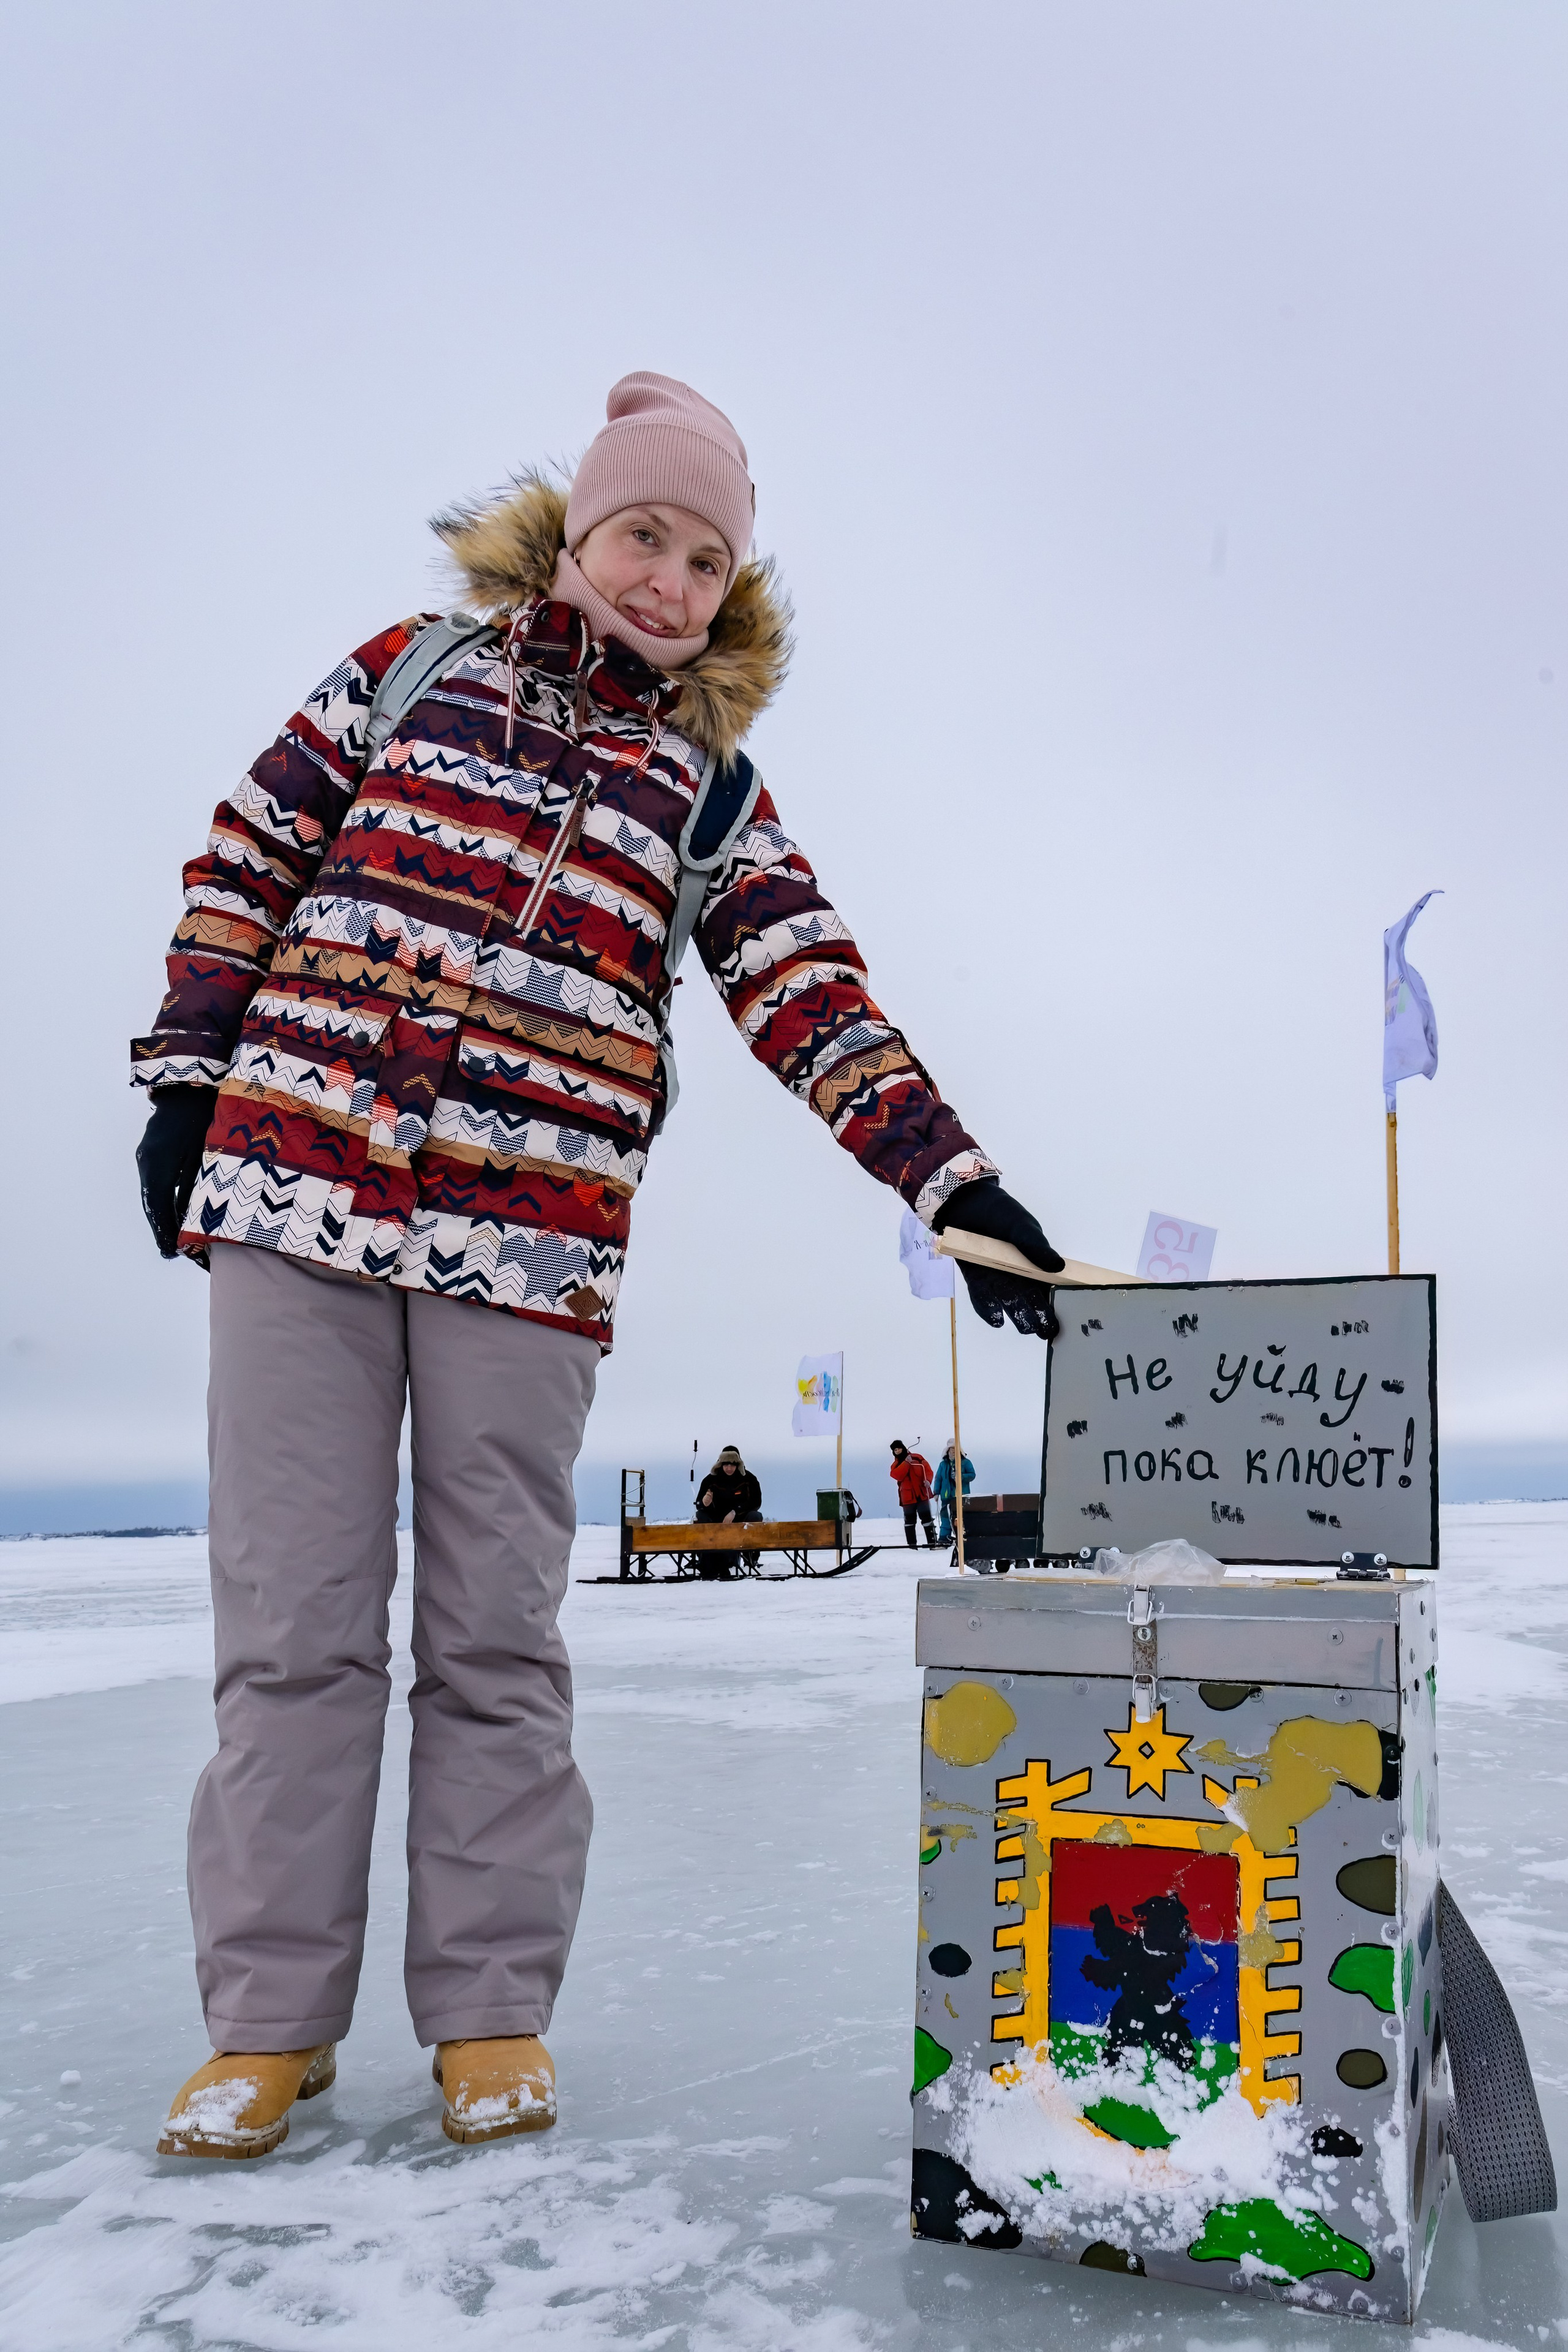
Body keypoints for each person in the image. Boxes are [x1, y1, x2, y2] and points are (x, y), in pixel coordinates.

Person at [132, 372, 1063, 2162]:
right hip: (292, 1201)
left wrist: (957, 1183)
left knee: (494, 1635)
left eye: (707, 557)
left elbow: (812, 993)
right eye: (647, 532)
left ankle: (486, 2009)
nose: (670, 577)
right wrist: (187, 1076)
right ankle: (267, 2024)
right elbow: (248, 853)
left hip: (526, 1242)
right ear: (578, 528)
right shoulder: (411, 666)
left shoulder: (702, 787)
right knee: (293, 1631)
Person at [693, 1444, 763, 1577]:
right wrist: (704, 1503)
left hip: (740, 1519)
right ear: (720, 1465)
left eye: (732, 1465)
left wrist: (735, 1512)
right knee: (700, 1516)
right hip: (717, 1522)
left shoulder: (749, 1479)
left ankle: (751, 1557)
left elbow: (756, 1502)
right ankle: (705, 1557)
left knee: (755, 1516)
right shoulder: (710, 1480)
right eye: (726, 1465)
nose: (729, 1468)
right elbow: (699, 1505)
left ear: (738, 1464)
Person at [890, 1439, 939, 1550]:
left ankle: (932, 1544)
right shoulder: (896, 1465)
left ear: (903, 1448)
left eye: (898, 1448)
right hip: (907, 1497)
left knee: (927, 1519)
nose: (897, 1451)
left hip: (922, 1494)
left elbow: (928, 1470)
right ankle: (912, 1546)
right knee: (910, 1522)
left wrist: (928, 1481)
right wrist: (906, 1463)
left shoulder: (918, 1458)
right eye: (895, 1450)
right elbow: (897, 1475)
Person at [933, 1441, 975, 1546]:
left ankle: (964, 1538)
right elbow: (938, 1479)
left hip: (961, 1496)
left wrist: (961, 1477)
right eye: (951, 1450)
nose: (953, 1452)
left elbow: (972, 1475)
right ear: (947, 1451)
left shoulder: (966, 1463)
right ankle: (944, 1538)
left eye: (955, 1450)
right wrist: (936, 1493)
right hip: (947, 1496)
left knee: (962, 1517)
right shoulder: (943, 1465)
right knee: (946, 1517)